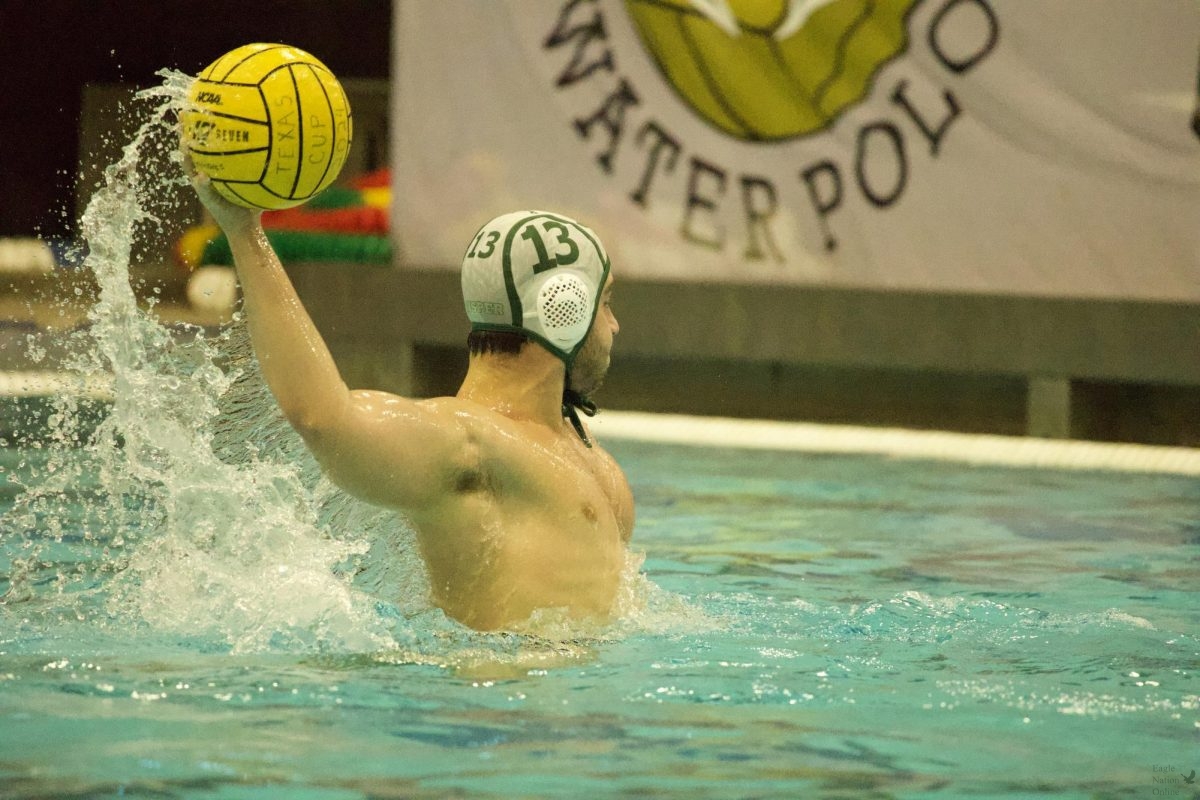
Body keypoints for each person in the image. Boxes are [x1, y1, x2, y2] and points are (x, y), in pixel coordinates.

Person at [189, 171, 633, 632]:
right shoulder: (467, 446)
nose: (615, 325)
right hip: (498, 701)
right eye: (606, 302)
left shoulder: (600, 472)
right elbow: (321, 416)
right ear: (565, 308)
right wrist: (244, 232)